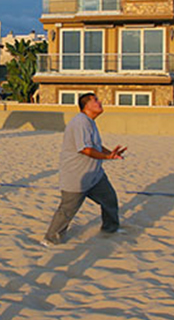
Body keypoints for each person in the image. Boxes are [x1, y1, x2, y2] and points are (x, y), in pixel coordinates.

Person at [42, 93, 127, 246]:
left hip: (95, 175)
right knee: (67, 211)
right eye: (95, 101)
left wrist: (110, 154)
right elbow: (85, 149)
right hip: (77, 176)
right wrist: (106, 158)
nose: (100, 102)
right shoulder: (80, 122)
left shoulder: (90, 122)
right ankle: (50, 239)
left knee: (109, 199)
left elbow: (95, 145)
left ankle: (110, 229)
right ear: (86, 106)